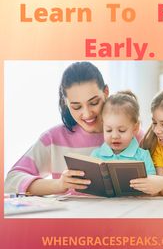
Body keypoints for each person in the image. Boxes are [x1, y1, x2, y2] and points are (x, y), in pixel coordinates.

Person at [4, 62, 144, 196]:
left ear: (106, 92)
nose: (87, 113)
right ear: (66, 102)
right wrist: (58, 185)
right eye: (76, 106)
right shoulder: (53, 139)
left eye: (94, 103)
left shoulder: (131, 134)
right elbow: (11, 180)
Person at [91, 91, 156, 175]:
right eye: (108, 130)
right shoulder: (96, 155)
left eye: (122, 130)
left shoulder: (143, 156)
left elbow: (152, 183)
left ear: (135, 128)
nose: (114, 136)